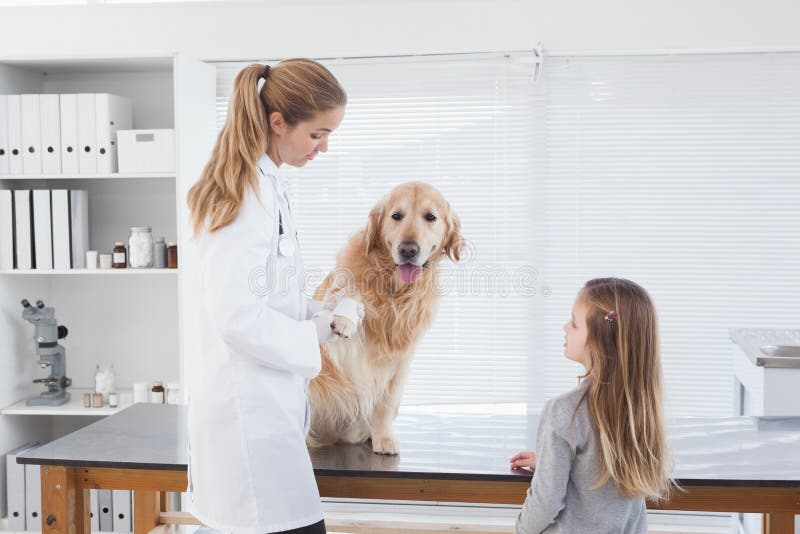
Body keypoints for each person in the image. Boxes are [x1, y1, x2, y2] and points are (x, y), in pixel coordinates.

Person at [185, 59, 360, 534]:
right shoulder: (246, 197)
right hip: (248, 418)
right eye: (317, 134)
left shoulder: (268, 185)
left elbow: (267, 294)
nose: (324, 148)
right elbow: (236, 318)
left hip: (267, 412)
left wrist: (323, 311)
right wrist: (313, 333)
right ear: (278, 122)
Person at [510, 277, 673, 533]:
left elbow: (545, 505)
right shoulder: (640, 410)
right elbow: (604, 471)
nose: (565, 327)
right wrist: (553, 463)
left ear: (599, 341)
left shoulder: (564, 411)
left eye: (574, 324)